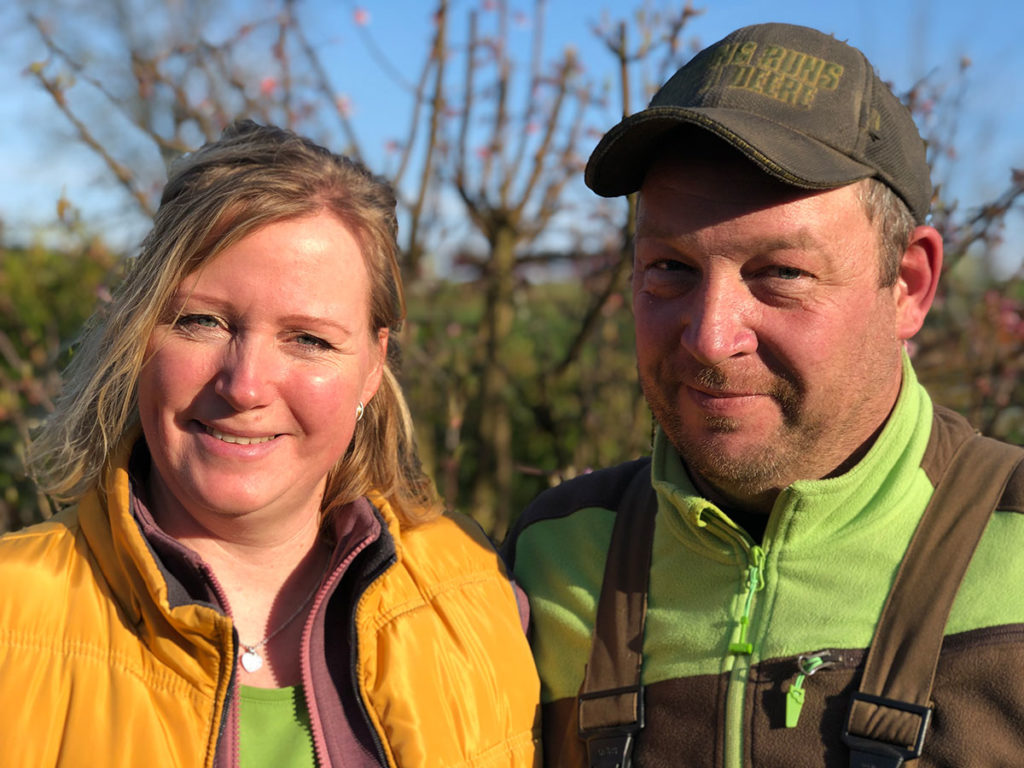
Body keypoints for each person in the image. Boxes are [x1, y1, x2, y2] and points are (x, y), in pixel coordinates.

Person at [503, 22, 1024, 768]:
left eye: (781, 273)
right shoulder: (553, 555)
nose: (711, 338)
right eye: (670, 269)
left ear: (907, 286)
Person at [0, 120, 540, 767]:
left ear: (373, 363)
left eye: (308, 338)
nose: (245, 386)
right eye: (201, 321)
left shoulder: (480, 598)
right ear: (141, 334)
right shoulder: (12, 616)